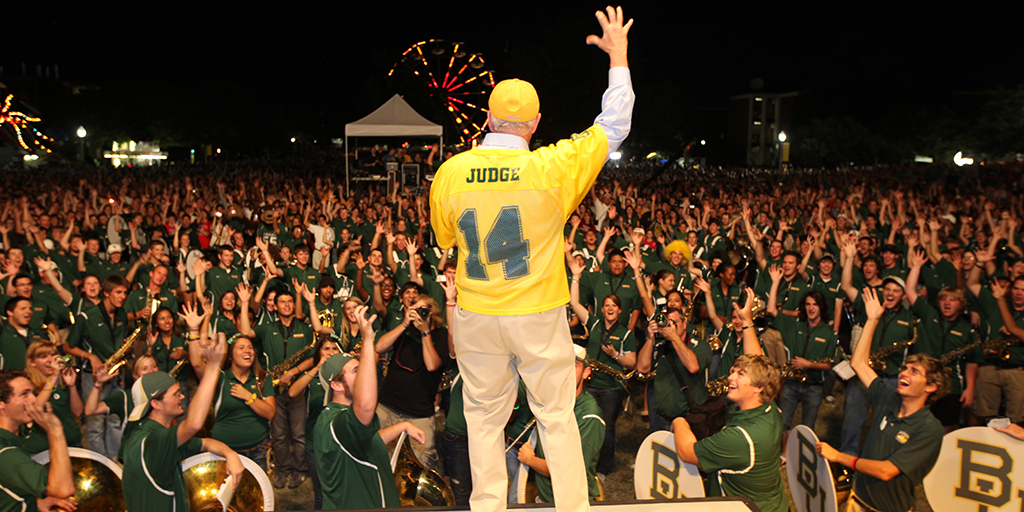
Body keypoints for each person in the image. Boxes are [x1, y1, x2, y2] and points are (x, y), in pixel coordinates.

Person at [428, 7, 633, 511]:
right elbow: (616, 124)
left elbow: (447, 239)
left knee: (482, 418)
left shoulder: (451, 172)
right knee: (557, 416)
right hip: (538, 313)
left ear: (488, 119)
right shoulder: (552, 166)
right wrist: (618, 55)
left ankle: (488, 506)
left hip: (478, 314)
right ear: (536, 123)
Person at [815, 288, 947, 512]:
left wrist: (838, 456)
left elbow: (886, 471)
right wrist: (872, 319)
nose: (904, 373)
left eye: (914, 372)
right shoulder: (888, 399)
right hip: (857, 502)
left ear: (931, 386)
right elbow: (858, 364)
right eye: (905, 368)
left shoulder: (929, 428)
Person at [671, 292, 788, 512]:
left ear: (757, 387)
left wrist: (678, 420)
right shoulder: (770, 408)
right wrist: (747, 322)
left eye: (740, 375)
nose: (730, 377)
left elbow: (687, 452)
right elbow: (759, 363)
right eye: (733, 371)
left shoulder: (738, 439)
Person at [121, 318, 244, 512]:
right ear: (156, 404)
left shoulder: (148, 434)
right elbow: (193, 425)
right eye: (176, 394)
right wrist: (212, 367)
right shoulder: (153, 442)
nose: (182, 397)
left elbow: (205, 443)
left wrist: (230, 454)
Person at [314, 305, 426, 509]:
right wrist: (367, 340)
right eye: (356, 371)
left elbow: (369, 440)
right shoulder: (336, 423)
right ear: (336, 385)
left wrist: (402, 427)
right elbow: (365, 408)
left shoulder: (343, 420)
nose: (364, 376)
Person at [517, 344, 604, 503]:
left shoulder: (589, 416)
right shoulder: (551, 401)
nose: (566, 372)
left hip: (572, 502)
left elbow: (572, 471)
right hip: (547, 498)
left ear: (586, 372)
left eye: (574, 366)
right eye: (562, 364)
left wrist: (530, 460)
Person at [0, 369, 76, 512]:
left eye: (32, 393)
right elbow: (63, 490)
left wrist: (33, 503)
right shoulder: (6, 454)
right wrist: (55, 431)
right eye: (24, 394)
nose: (34, 399)